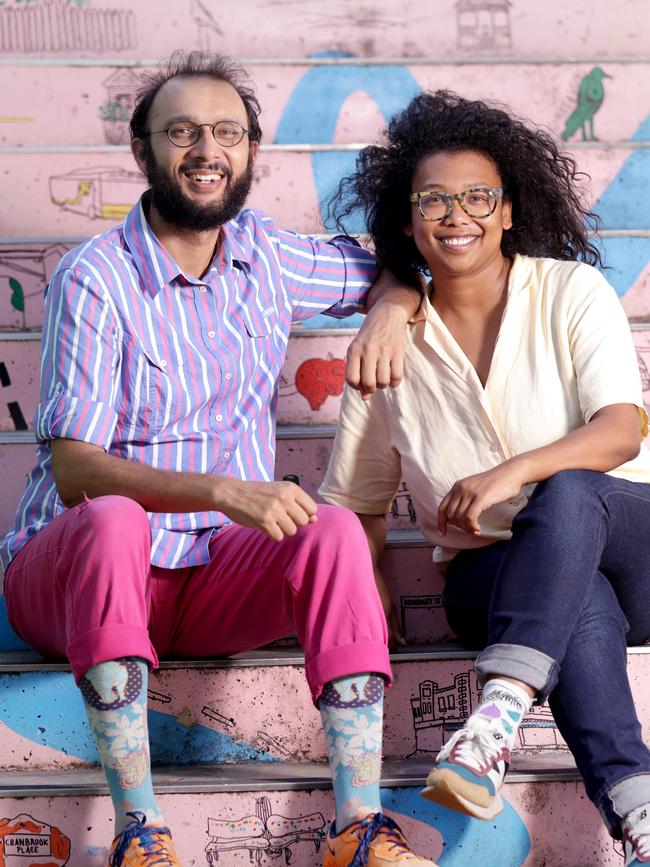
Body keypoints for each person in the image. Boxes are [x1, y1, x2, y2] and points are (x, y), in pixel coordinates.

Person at [0, 52, 437, 867]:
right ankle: (141, 830)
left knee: (336, 530)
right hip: (76, 578)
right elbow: (76, 471)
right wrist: (224, 491)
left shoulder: (264, 255)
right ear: (144, 152)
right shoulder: (95, 279)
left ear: (249, 152)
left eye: (227, 132)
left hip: (208, 578)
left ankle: (358, 828)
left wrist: (392, 308)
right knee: (115, 520)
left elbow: (402, 261)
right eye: (184, 132)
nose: (208, 149)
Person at [320, 89, 650, 866]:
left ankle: (496, 711)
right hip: (492, 579)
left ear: (508, 211)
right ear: (407, 222)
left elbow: (620, 429)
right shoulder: (389, 348)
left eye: (477, 196)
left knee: (565, 494)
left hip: (629, 541)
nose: (456, 213)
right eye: (432, 199)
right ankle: (641, 820)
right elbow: (357, 502)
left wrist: (511, 472)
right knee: (575, 601)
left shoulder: (570, 291)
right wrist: (371, 592)